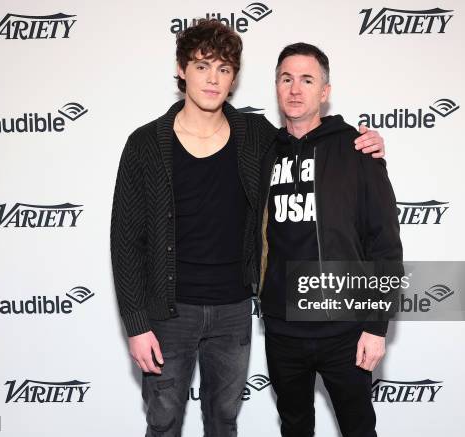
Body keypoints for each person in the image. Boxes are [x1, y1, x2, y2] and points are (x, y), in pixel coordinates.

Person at [110, 21, 385, 437]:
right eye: (202, 66)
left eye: (223, 68)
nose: (212, 78)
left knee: (224, 421)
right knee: (163, 421)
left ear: (234, 78)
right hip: (168, 313)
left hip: (233, 311)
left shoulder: (255, 137)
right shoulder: (145, 144)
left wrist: (365, 144)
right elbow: (125, 240)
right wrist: (135, 322)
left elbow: (309, 136)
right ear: (182, 70)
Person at [257, 43, 403, 437]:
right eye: (286, 79)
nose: (295, 89)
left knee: (358, 429)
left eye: (307, 80)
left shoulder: (356, 149)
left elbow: (385, 245)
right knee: (294, 428)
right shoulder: (262, 153)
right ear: (276, 86)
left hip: (345, 329)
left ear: (324, 91)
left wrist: (376, 326)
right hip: (283, 329)